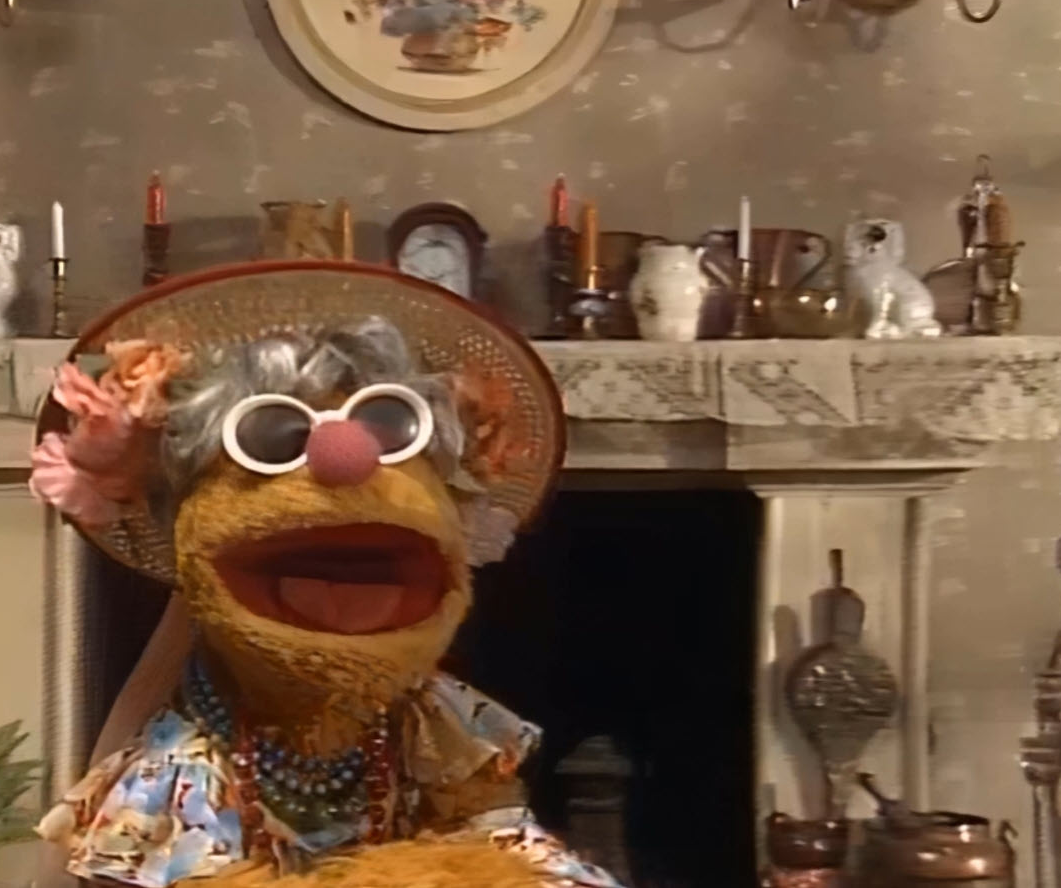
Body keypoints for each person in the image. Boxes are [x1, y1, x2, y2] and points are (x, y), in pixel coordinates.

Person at [30, 261, 623, 887]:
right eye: (275, 435)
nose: (344, 457)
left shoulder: (429, 723)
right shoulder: (185, 765)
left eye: (387, 425)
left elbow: (505, 843)